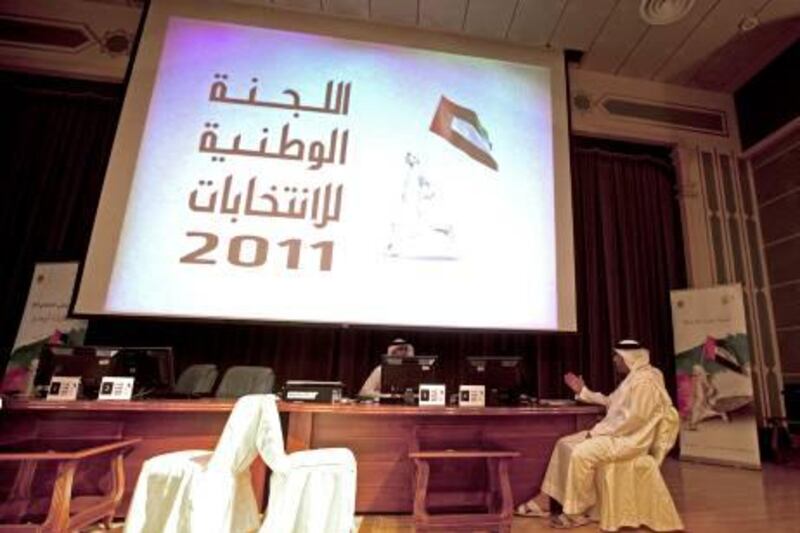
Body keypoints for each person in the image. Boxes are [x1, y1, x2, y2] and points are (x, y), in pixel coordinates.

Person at [515, 339, 676, 528]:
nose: (615, 360)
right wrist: (583, 391)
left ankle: (576, 512)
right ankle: (545, 501)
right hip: (616, 435)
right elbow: (611, 402)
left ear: (629, 358)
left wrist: (598, 432)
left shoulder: (646, 382)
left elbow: (634, 420)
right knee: (564, 443)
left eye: (617, 356)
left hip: (629, 441)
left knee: (581, 453)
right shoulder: (634, 378)